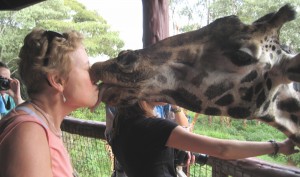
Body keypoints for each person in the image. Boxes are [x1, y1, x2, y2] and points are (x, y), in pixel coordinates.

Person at [0, 28, 99, 177]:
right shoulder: (29, 134)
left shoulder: (43, 126)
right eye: (87, 68)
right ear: (58, 80)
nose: (95, 75)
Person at [109, 101, 299, 177]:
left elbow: (148, 156)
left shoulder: (120, 123)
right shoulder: (155, 126)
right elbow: (222, 149)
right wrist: (277, 147)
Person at [106, 102, 191, 177]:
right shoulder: (117, 103)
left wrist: (175, 106)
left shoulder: (164, 104)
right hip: (130, 168)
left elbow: (184, 130)